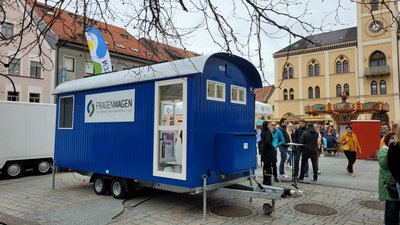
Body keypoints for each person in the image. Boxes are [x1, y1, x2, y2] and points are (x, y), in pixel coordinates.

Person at [378, 132, 400, 225]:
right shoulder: (383, 150)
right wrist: (390, 152)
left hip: (395, 183)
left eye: (395, 138)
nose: (394, 140)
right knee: (391, 207)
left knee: (396, 208)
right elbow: (383, 164)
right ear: (387, 140)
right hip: (389, 185)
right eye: (392, 138)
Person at [260, 121, 275, 185]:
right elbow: (268, 142)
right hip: (268, 151)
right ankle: (268, 180)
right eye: (269, 124)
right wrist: (273, 147)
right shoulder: (268, 132)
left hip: (264, 150)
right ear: (266, 125)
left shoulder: (263, 132)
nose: (270, 125)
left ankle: (265, 180)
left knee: (265, 166)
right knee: (268, 166)